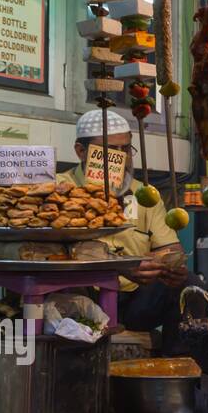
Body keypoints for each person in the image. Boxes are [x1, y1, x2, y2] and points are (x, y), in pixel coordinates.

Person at [65, 111, 186, 335]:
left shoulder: (145, 195)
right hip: (81, 297)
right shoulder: (61, 190)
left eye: (126, 149)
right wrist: (120, 265)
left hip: (133, 300)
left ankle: (175, 363)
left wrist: (170, 266)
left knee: (188, 285)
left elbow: (170, 247)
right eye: (111, 151)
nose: (122, 158)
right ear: (81, 151)